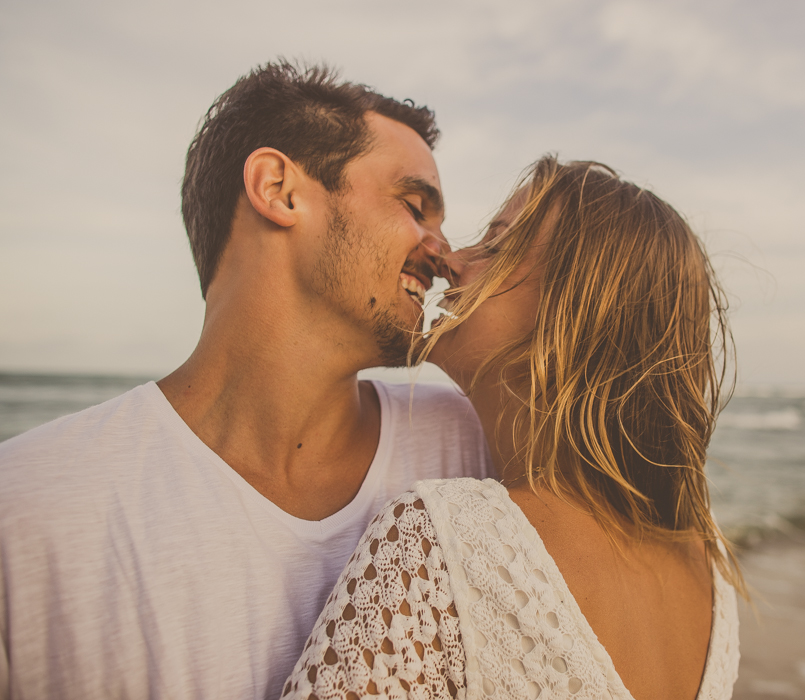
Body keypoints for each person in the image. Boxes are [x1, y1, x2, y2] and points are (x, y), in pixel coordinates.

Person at [0, 62, 491, 699]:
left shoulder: (475, 449)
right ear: (278, 189)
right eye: (414, 205)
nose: (443, 252)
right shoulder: (28, 513)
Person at [282, 156, 746, 699]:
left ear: (572, 311)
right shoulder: (707, 569)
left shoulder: (447, 539)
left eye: (498, 247)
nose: (451, 259)